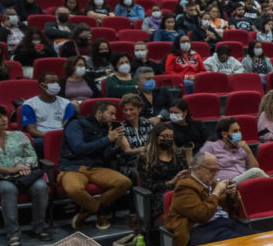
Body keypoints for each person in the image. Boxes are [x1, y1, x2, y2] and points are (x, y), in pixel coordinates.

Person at [59, 101, 133, 230]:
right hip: (73, 167)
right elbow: (78, 149)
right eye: (111, 114)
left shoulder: (107, 128)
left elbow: (105, 157)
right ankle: (101, 212)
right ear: (99, 113)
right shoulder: (76, 123)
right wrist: (107, 139)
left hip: (96, 167)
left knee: (124, 183)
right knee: (74, 190)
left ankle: (87, 212)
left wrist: (115, 146)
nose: (114, 118)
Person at [163, 151, 253, 246]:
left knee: (256, 238)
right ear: (198, 169)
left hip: (224, 222)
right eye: (212, 170)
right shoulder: (184, 186)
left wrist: (231, 195)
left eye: (216, 170)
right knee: (243, 245)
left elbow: (231, 210)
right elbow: (202, 215)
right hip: (202, 229)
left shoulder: (211, 183)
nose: (215, 174)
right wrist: (216, 193)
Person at [0, 105, 51, 246]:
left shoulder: (19, 136)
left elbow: (31, 156)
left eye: (4, 116)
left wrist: (24, 166)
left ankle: (38, 228)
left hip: (24, 175)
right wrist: (10, 169)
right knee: (8, 189)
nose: (3, 119)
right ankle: (13, 233)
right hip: (1, 178)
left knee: (40, 186)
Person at [136, 123, 188, 220]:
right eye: (165, 136)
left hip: (181, 188)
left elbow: (185, 171)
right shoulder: (145, 158)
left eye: (171, 137)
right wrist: (171, 182)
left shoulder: (179, 154)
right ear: (155, 137)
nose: (168, 139)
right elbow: (148, 185)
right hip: (159, 195)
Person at [200, 118, 273, 183]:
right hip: (226, 184)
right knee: (255, 172)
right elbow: (198, 169)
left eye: (239, 130)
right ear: (224, 134)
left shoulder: (242, 148)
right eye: (235, 131)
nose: (239, 133)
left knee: (257, 175)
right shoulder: (211, 147)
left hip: (244, 181)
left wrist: (248, 151)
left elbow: (255, 167)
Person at [21, 72, 75, 151]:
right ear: (42, 85)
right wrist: (49, 136)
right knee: (36, 143)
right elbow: (31, 130)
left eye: (57, 82)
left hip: (62, 136)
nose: (56, 85)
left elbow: (68, 126)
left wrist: (59, 136)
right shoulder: (29, 104)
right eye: (52, 82)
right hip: (41, 137)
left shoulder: (66, 103)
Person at [118, 93, 153, 181]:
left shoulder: (147, 123)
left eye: (131, 109)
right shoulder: (120, 128)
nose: (128, 113)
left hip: (150, 158)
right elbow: (127, 150)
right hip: (130, 163)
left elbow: (155, 143)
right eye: (125, 110)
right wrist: (145, 149)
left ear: (139, 109)